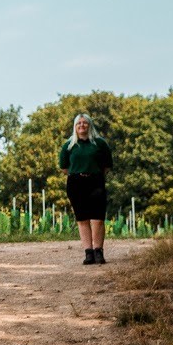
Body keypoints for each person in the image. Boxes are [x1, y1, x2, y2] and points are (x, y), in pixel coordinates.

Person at [61, 112, 114, 264]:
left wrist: (94, 174)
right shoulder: (69, 145)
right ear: (75, 127)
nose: (82, 125)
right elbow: (64, 167)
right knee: (82, 218)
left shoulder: (100, 143)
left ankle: (98, 251)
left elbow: (107, 165)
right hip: (76, 183)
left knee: (98, 218)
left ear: (90, 125)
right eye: (79, 123)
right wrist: (78, 174)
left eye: (84, 123)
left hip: (96, 182)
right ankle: (88, 252)